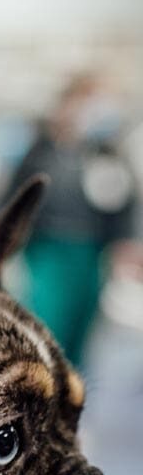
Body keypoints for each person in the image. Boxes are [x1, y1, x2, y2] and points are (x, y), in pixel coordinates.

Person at [8, 72, 140, 369]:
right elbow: (13, 197)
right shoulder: (41, 147)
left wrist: (126, 242)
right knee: (49, 324)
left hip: (93, 250)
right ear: (68, 103)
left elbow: (124, 200)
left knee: (84, 328)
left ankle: (71, 393)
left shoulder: (106, 150)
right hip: (50, 248)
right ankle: (44, 388)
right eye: (90, 99)